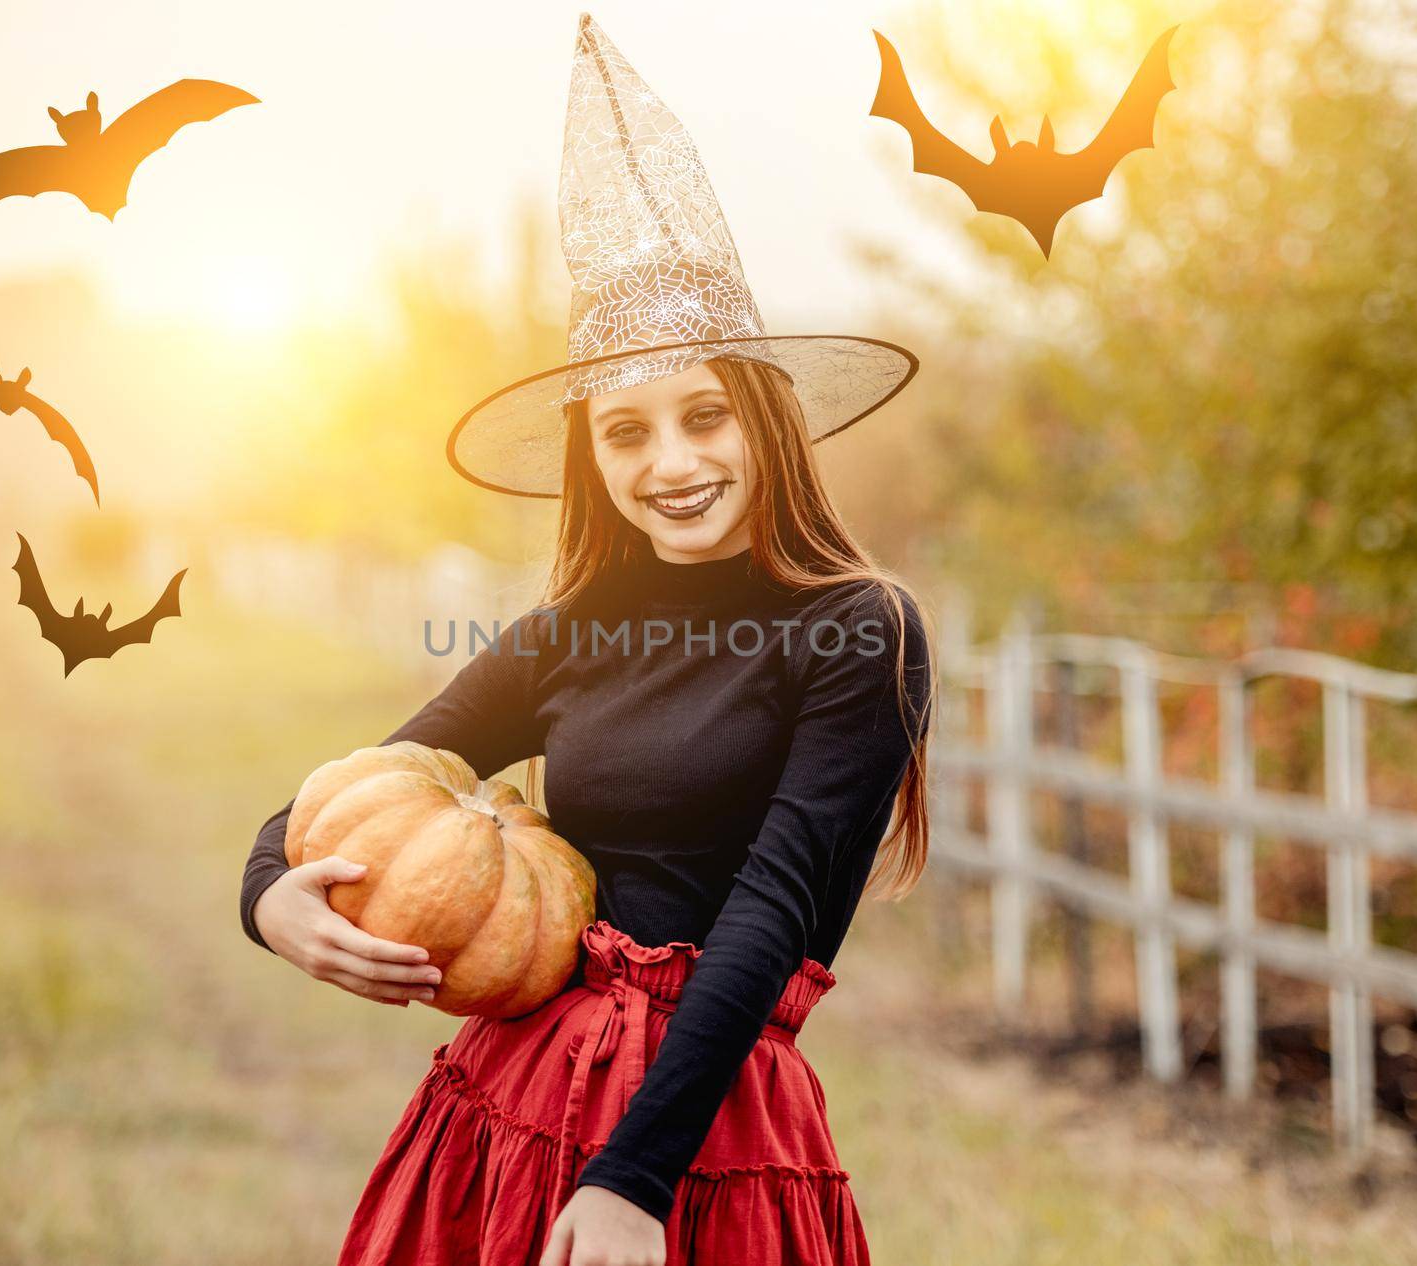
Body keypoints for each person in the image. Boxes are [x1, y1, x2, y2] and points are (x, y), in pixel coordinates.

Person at [238, 15, 933, 1266]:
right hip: (506, 1104)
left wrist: (633, 1181)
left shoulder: (852, 631)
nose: (670, 463)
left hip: (698, 1139)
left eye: (703, 416)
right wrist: (263, 896)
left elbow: (771, 915)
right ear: (591, 460)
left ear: (766, 423)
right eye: (625, 434)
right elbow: (368, 789)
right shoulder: (568, 636)